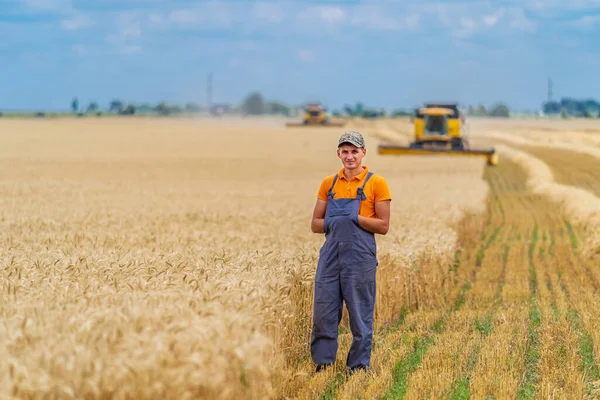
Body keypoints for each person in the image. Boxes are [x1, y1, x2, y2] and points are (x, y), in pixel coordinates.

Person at [310, 131, 392, 374]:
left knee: (360, 313)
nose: (349, 156)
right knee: (324, 311)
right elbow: (315, 223)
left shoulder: (376, 183)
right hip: (330, 257)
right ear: (338, 154)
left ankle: (358, 367)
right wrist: (335, 222)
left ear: (363, 153)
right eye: (345, 151)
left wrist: (354, 218)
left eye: (354, 151)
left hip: (360, 257)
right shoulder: (329, 184)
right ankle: (323, 364)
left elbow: (384, 226)